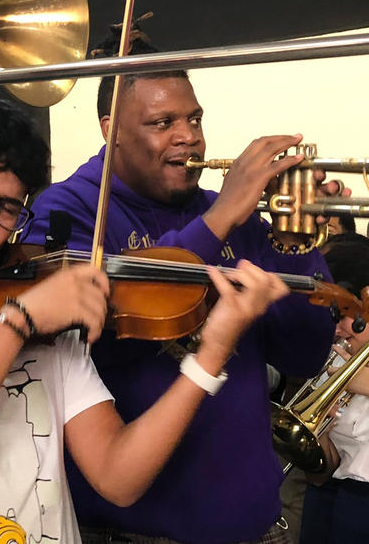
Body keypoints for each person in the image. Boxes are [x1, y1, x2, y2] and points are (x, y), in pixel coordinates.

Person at [0, 97, 290, 544]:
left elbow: (118, 476)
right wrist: (16, 323)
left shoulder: (46, 325)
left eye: (8, 207)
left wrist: (210, 355)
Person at [23, 64, 336, 543]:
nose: (188, 137)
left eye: (195, 119)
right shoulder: (71, 208)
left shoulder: (231, 214)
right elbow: (98, 334)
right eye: (162, 123)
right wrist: (221, 217)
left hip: (257, 525)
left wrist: (293, 241)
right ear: (111, 131)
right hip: (134, 531)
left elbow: (304, 355)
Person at [300, 235, 369, 544]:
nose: (338, 328)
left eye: (346, 313)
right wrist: (318, 434)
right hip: (333, 490)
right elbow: (321, 474)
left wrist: (355, 382)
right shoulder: (336, 358)